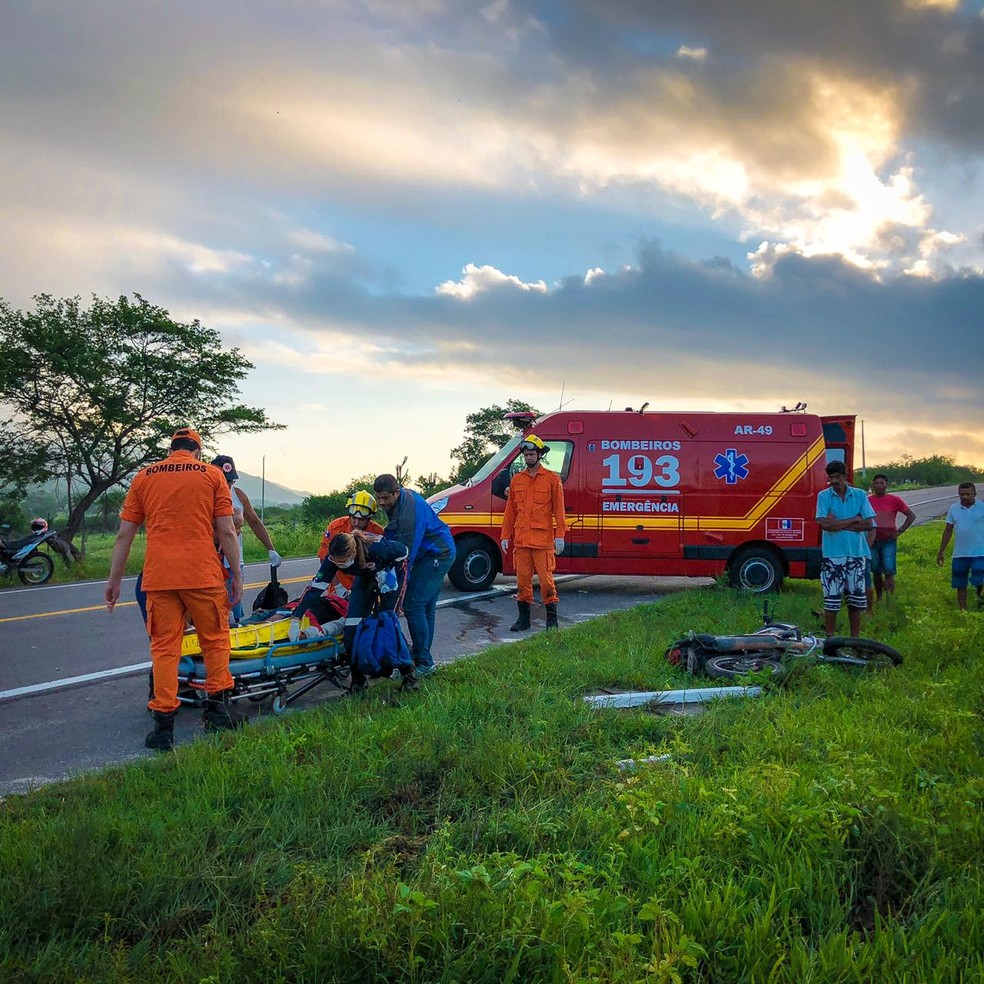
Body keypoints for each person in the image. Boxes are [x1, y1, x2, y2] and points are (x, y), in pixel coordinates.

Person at [105, 427, 244, 751]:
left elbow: (124, 535)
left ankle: (163, 729)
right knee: (214, 640)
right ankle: (217, 713)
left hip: (160, 577)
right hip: (202, 575)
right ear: (197, 450)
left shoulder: (145, 477)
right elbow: (226, 530)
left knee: (165, 649)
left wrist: (113, 582)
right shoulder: (212, 476)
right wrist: (236, 575)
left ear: (172, 449)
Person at [290, 531, 416, 692]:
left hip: (390, 576)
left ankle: (409, 674)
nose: (340, 565)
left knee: (386, 625)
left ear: (354, 552)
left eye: (342, 561)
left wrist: (387, 573)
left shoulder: (377, 548)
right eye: (336, 562)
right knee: (351, 629)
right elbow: (315, 589)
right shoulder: (332, 560)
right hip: (365, 578)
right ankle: (358, 682)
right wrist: (296, 617)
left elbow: (403, 553)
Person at [373, 473, 456, 676]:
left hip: (437, 554)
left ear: (396, 492)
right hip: (426, 554)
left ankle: (424, 662)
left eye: (385, 498)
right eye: (378, 498)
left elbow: (405, 556)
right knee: (426, 607)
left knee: (413, 605)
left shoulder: (409, 512)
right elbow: (393, 535)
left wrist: (398, 589)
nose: (381, 503)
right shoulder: (398, 503)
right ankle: (423, 658)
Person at [500, 434, 567, 631]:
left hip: (542, 541)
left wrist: (560, 535)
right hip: (521, 541)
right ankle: (523, 620)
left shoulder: (552, 479)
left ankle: (552, 621)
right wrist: (505, 535)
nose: (528, 457)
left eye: (531, 454)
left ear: (539, 455)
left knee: (547, 583)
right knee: (522, 583)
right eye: (526, 454)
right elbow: (510, 511)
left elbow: (559, 510)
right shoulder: (517, 480)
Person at [211, 455, 282, 623]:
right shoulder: (205, 496)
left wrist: (270, 548)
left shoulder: (238, 495)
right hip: (212, 560)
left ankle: (237, 631)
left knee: (235, 601)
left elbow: (255, 522)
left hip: (234, 560)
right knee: (215, 606)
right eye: (224, 481)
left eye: (230, 481)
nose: (227, 485)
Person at [815, 459, 875, 637]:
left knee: (855, 602)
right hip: (833, 556)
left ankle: (854, 639)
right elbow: (825, 525)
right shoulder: (823, 496)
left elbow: (869, 524)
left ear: (845, 476)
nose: (833, 481)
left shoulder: (860, 495)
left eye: (837, 477)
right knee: (831, 602)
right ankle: (830, 638)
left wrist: (838, 523)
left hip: (856, 555)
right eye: (830, 477)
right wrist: (854, 519)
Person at [316, 491, 386, 602]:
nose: (356, 523)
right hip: (339, 585)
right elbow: (324, 559)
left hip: (364, 586)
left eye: (361, 519)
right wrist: (338, 587)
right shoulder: (336, 527)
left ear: (370, 517)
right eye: (353, 518)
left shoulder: (378, 532)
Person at [866, 474, 916, 604]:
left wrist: (900, 531)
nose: (879, 485)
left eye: (882, 483)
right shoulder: (867, 500)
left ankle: (890, 599)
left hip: (889, 540)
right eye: (876, 483)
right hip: (873, 540)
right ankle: (879, 597)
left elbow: (911, 515)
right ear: (873, 485)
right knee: (876, 570)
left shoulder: (895, 499)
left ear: (886, 484)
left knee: (888, 570)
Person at [936, 482, 984, 611]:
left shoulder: (982, 507)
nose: (965, 497)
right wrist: (941, 551)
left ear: (975, 494)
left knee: (979, 577)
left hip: (980, 553)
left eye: (968, 494)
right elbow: (948, 530)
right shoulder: (954, 509)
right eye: (962, 494)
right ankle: (963, 609)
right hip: (960, 554)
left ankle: (980, 599)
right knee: (960, 583)